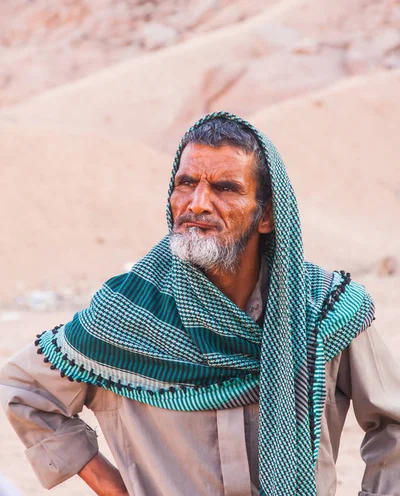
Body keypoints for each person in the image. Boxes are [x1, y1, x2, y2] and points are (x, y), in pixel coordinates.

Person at [1, 112, 399, 496]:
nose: (197, 203)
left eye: (225, 188)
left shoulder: (324, 310)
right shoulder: (126, 316)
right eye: (186, 183)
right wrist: (113, 487)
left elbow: (392, 425)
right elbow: (24, 387)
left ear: (268, 216)